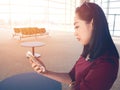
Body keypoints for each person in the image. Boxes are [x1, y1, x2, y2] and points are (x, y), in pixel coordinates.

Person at [28, 2, 119, 90]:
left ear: (93, 23)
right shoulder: (89, 51)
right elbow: (72, 77)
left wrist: (73, 86)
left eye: (77, 26)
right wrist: (45, 72)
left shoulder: (106, 63)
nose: (75, 33)